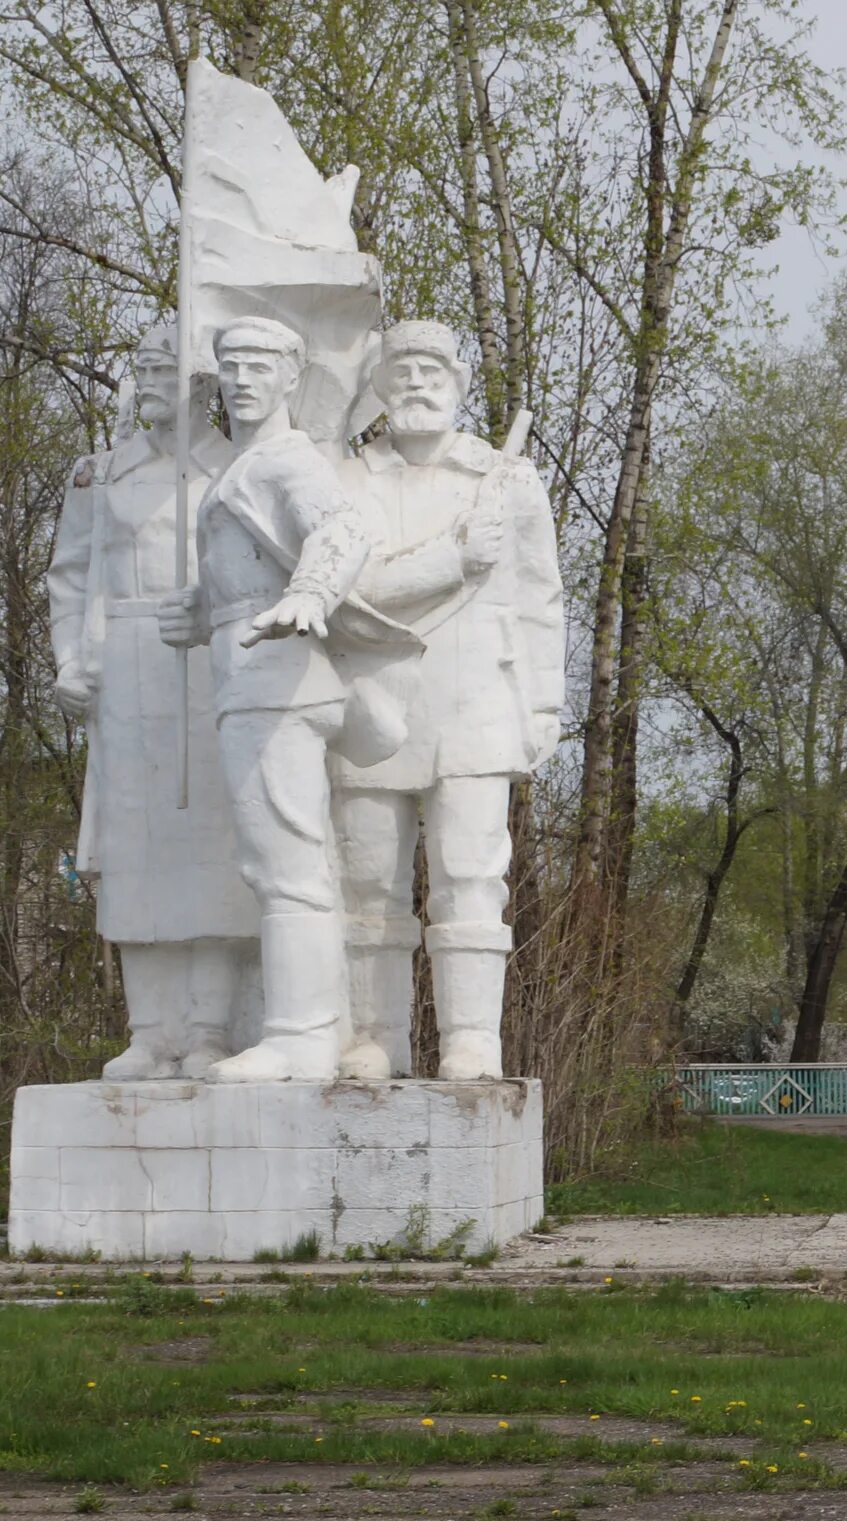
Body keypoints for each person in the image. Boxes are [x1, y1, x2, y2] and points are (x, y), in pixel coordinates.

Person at [155, 315, 413, 1083]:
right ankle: (304, 1028)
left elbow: (343, 527)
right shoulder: (246, 466)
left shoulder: (287, 459)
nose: (242, 378)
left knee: (286, 861)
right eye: (231, 364)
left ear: (291, 377)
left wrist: (309, 589)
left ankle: (300, 1035)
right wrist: (203, 612)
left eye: (261, 364)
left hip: (278, 678)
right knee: (279, 861)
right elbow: (244, 575)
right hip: (246, 668)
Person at [328, 320, 565, 1079]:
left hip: (476, 698)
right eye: (401, 374)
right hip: (376, 700)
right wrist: (451, 559)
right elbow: (349, 585)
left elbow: (539, 598)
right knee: (367, 876)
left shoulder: (506, 479)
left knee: (470, 871)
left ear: (459, 385)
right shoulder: (349, 479)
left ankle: (471, 1037)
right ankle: (374, 1035)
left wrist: (541, 706)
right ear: (379, 389)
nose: (417, 385)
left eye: (433, 371)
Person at [47, 319, 253, 1078]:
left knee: (212, 848)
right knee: (134, 852)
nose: (149, 382)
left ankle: (207, 1029)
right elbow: (69, 574)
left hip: (207, 662)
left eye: (165, 368)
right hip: (127, 668)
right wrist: (71, 658)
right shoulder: (104, 474)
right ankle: (149, 1029)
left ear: (204, 385)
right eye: (144, 368)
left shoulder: (239, 468)